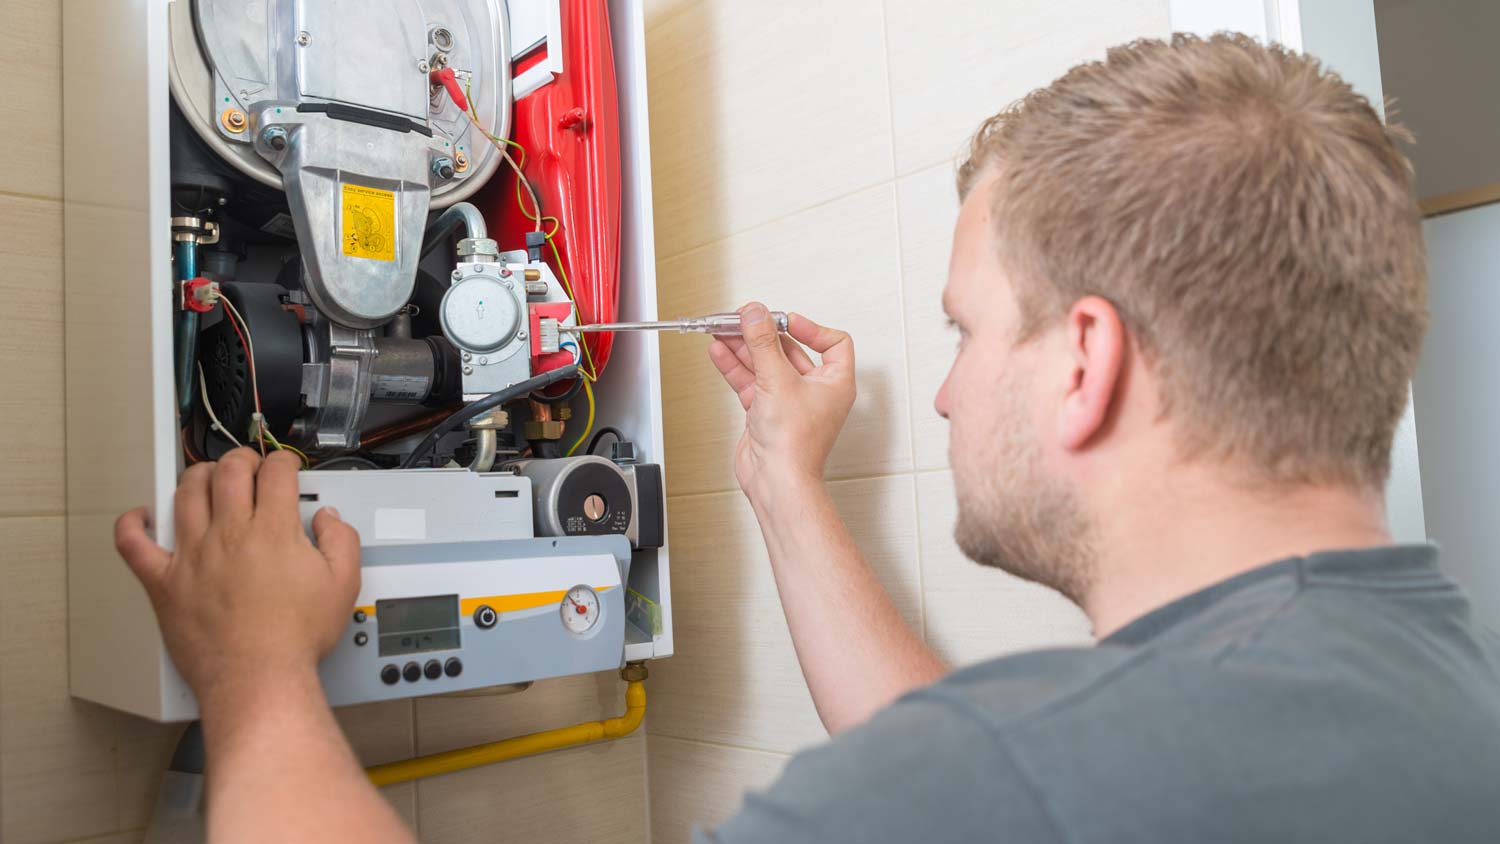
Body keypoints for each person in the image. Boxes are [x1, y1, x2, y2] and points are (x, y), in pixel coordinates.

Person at [115, 33, 1500, 843]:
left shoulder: (1019, 782)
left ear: (1087, 362)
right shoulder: (1427, 678)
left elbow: (980, 774)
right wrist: (784, 478)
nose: (947, 395)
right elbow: (969, 753)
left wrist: (251, 678)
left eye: (967, 334)